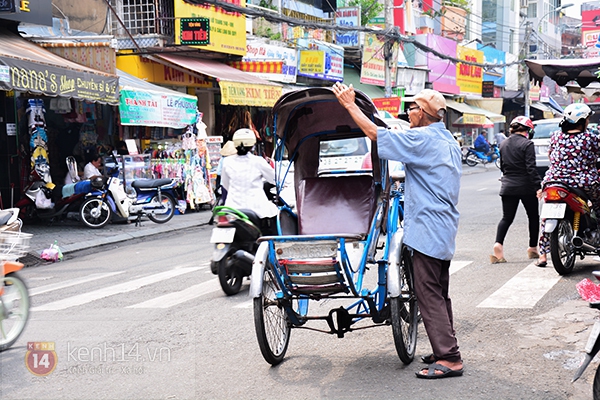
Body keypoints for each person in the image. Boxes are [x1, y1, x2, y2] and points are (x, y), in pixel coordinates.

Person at [333, 83, 463, 379]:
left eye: (413, 108)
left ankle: (450, 358)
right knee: (438, 292)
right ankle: (445, 346)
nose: (409, 112)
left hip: (429, 225)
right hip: (442, 225)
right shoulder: (446, 140)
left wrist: (350, 106)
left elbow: (376, 136)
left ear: (426, 113)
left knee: (427, 292)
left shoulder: (422, 139)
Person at [537, 103, 600, 267]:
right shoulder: (590, 138)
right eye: (587, 119)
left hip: (553, 181)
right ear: (583, 121)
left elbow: (551, 156)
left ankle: (542, 255)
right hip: (583, 182)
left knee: (545, 217)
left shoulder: (556, 136)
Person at [490, 117, 541, 264]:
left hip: (508, 186)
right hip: (526, 187)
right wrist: (538, 186)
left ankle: (498, 245)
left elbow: (503, 166)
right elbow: (531, 168)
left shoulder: (503, 143)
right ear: (528, 130)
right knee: (533, 217)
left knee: (506, 218)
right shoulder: (527, 144)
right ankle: (532, 249)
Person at [221, 129, 278, 234]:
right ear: (253, 145)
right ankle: (273, 245)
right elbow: (275, 179)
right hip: (256, 207)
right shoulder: (258, 161)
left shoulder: (227, 162)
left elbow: (225, 184)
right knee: (275, 213)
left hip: (232, 208)